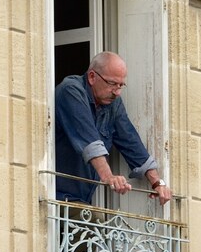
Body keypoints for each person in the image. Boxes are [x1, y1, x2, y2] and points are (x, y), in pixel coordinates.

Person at [55, 51, 173, 205]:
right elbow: (89, 140)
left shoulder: (112, 103)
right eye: (112, 84)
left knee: (98, 225)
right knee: (97, 225)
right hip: (56, 197)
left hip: (80, 200)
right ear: (92, 77)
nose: (117, 92)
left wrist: (158, 183)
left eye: (121, 85)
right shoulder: (71, 90)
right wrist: (109, 177)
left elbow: (131, 142)